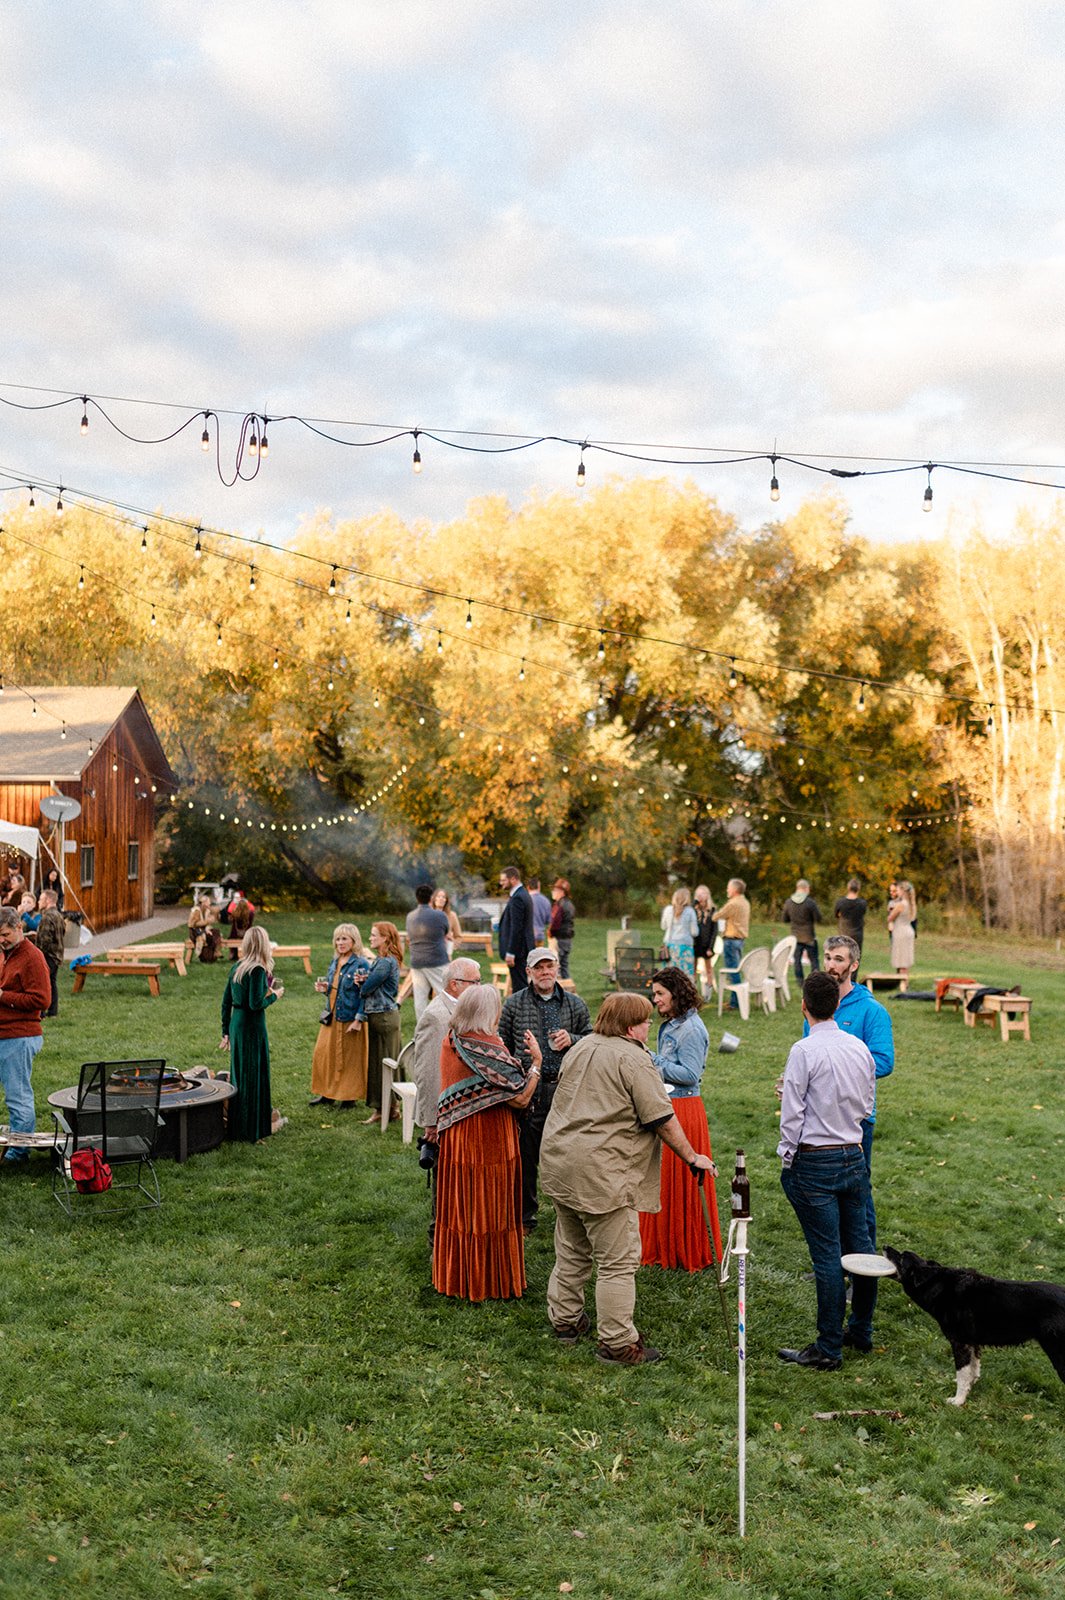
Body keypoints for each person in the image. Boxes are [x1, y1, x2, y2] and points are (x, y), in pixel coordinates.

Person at [540, 992, 716, 1364]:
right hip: (601, 1171)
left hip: (561, 1161)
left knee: (571, 1248)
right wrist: (692, 1156)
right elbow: (661, 1117)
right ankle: (618, 1342)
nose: (650, 1025)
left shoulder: (581, 1047)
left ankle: (565, 1321)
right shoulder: (634, 1059)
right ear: (631, 1026)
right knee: (617, 1261)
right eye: (646, 1020)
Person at [776, 971, 876, 1370]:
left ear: (804, 1006)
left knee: (828, 1257)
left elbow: (792, 1114)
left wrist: (787, 1157)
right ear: (837, 1005)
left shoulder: (804, 1051)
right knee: (861, 1250)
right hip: (852, 1154)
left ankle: (829, 1347)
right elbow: (866, 1104)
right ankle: (861, 1330)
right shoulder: (859, 1048)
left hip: (815, 1159)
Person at [432, 983, 542, 1302]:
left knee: (462, 1207)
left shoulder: (451, 1040)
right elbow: (520, 1098)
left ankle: (459, 1275)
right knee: (490, 1206)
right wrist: (536, 1064)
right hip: (488, 1137)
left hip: (457, 1137)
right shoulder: (485, 1048)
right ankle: (490, 1278)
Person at [499, 948, 592, 1235]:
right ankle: (525, 1217)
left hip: (565, 1089)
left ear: (557, 969)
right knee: (526, 1156)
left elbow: (592, 1040)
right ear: (528, 972)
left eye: (549, 966)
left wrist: (572, 1038)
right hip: (529, 1091)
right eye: (538, 968)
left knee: (569, 1154)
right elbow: (502, 1045)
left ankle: (572, 1214)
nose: (545, 972)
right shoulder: (514, 1004)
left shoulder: (575, 1004)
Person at [640, 967, 722, 1269]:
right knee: (664, 1180)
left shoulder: (691, 1029)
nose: (655, 1000)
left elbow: (690, 1074)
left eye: (660, 994)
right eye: (654, 994)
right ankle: (663, 1243)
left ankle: (685, 1247)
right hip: (668, 1103)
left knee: (683, 1181)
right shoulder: (673, 1023)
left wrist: (651, 1059)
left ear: (676, 994)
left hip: (684, 1110)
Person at [819, 935, 894, 1244]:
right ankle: (835, 1259)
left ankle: (864, 1261)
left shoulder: (871, 1010)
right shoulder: (818, 1005)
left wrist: (839, 1070)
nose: (831, 965)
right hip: (822, 1114)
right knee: (826, 1191)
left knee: (858, 1193)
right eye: (827, 957)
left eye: (838, 959)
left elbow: (884, 1061)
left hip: (856, 1117)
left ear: (853, 965)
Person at [220, 926, 282, 1142]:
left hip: (237, 1024)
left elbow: (226, 1002)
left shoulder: (237, 967)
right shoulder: (257, 970)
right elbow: (255, 1004)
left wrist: (225, 1031)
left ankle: (238, 1127)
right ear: (264, 945)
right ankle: (251, 1130)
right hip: (252, 1027)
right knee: (253, 1075)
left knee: (239, 1074)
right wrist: (274, 996)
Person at [0, 906, 50, 1162]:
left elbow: (42, 999)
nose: (1, 940)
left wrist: (3, 996)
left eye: (5, 934)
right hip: (4, 1034)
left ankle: (19, 1152)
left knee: (17, 1096)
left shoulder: (32, 957)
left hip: (19, 1037)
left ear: (19, 927)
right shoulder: (6, 953)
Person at [309, 924, 370, 1109]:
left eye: (344, 939)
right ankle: (327, 1093)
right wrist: (325, 989)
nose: (340, 943)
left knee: (348, 1059)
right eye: (337, 939)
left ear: (354, 941)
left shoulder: (361, 964)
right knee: (324, 1054)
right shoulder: (335, 961)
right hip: (332, 1016)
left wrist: (359, 1019)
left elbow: (366, 994)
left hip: (350, 1017)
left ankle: (348, 1097)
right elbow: (335, 987)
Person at [353, 921, 403, 1123]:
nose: (370, 938)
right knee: (384, 1062)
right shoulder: (384, 960)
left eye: (374, 935)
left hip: (383, 1018)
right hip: (382, 1016)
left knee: (383, 1063)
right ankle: (388, 1109)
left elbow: (367, 989)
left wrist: (363, 983)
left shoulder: (384, 962)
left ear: (385, 938)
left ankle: (386, 1109)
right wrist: (366, 980)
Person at [406, 885, 451, 1020]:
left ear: (417, 898)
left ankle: (422, 1028)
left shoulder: (410, 917)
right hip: (437, 961)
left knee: (420, 999)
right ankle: (451, 1024)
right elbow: (446, 932)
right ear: (431, 898)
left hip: (417, 961)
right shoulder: (440, 915)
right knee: (446, 995)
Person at [497, 866, 535, 993]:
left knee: (520, 987)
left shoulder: (518, 897)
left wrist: (511, 952)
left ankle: (523, 1006)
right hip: (523, 949)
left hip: (518, 951)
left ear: (513, 879)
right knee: (521, 984)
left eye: (503, 880)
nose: (501, 883)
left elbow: (517, 928)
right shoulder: (523, 894)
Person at [717, 877, 750, 1006]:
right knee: (736, 969)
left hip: (731, 941)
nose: (727, 890)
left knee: (732, 971)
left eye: (728, 888)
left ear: (735, 890)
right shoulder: (745, 902)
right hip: (740, 940)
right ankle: (736, 999)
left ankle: (735, 1002)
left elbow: (717, 916)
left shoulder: (733, 903)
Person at [35, 890, 66, 1018]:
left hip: (48, 956)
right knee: (52, 983)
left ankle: (41, 1012)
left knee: (42, 984)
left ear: (48, 900)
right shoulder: (59, 915)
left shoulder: (47, 917)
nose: (38, 901)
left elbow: (45, 940)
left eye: (41, 899)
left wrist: (38, 955)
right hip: (57, 955)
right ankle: (53, 1011)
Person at [783, 878, 820, 981]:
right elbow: (818, 918)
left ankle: (800, 981)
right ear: (805, 888)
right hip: (809, 936)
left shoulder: (789, 902)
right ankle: (815, 980)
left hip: (795, 936)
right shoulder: (810, 902)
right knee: (814, 960)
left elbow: (785, 919)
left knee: (797, 960)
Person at [659, 887, 698, 978]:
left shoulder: (668, 910)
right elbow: (694, 932)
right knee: (685, 975)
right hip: (685, 947)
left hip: (670, 946)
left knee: (669, 974)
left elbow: (663, 926)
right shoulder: (690, 911)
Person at [548, 879, 576, 979]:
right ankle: (568, 987)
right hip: (567, 939)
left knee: (555, 969)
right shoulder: (570, 904)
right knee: (564, 967)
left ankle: (558, 988)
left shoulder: (559, 905)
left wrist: (550, 933)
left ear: (561, 891)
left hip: (558, 939)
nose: (553, 892)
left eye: (555, 890)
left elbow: (555, 923)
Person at [888, 880, 917, 976]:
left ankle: (902, 981)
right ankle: (903, 981)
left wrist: (890, 911)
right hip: (908, 931)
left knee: (901, 961)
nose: (897, 892)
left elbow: (890, 918)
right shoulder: (911, 904)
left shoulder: (901, 905)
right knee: (905, 961)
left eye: (898, 890)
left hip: (901, 932)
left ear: (903, 891)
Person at [693, 885, 717, 998]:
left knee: (708, 969)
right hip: (695, 943)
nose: (700, 896)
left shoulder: (712, 910)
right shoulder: (693, 910)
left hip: (706, 944)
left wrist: (710, 947)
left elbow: (714, 931)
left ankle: (708, 994)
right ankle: (693, 991)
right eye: (698, 894)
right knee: (693, 968)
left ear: (707, 895)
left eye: (702, 894)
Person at [833, 878, 868, 952]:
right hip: (857, 935)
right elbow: (862, 913)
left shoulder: (840, 902)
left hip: (844, 933)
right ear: (858, 888)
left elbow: (836, 915)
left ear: (848, 888)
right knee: (856, 956)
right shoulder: (862, 903)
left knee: (843, 955)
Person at [430, 888, 463, 958]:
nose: (441, 899)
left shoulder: (452, 915)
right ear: (434, 899)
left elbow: (458, 937)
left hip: (445, 955)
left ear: (446, 900)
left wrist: (451, 945)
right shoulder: (427, 914)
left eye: (443, 897)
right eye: (438, 896)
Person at [187, 892, 219, 958]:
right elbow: (192, 924)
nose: (209, 904)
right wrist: (206, 922)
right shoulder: (196, 911)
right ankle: (207, 956)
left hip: (202, 930)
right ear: (204, 903)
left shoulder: (207, 910)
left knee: (215, 932)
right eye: (208, 902)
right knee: (210, 936)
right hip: (195, 932)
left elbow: (208, 922)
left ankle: (214, 952)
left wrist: (207, 928)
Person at [227, 890, 256, 960]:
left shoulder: (235, 914)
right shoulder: (251, 914)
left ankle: (233, 953)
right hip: (247, 934)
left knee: (231, 937)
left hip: (235, 935)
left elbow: (230, 921)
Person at [527, 877, 552, 946]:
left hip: (526, 936)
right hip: (539, 936)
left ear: (528, 887)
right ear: (539, 887)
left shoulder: (524, 900)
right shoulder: (546, 901)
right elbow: (549, 921)